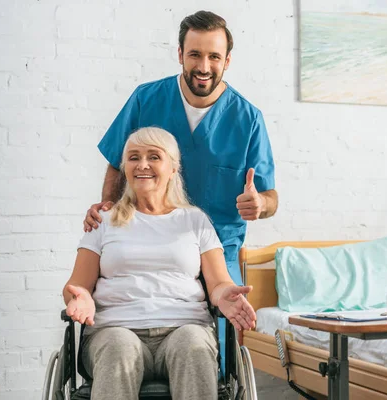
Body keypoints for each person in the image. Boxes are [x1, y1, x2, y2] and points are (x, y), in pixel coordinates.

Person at [83, 10, 278, 286]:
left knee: (228, 313)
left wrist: (260, 204)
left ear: (228, 60)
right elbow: (117, 164)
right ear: (180, 54)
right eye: (195, 54)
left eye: (214, 57)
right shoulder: (146, 100)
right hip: (149, 246)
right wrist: (107, 214)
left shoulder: (247, 119)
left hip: (219, 251)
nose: (204, 67)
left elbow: (270, 197)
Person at [64, 127, 256, 400]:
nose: (142, 165)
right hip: (114, 330)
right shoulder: (103, 222)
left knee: (193, 345)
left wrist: (225, 294)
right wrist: (80, 297)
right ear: (125, 167)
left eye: (154, 157)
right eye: (133, 157)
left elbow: (219, 282)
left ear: (173, 168)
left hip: (184, 327)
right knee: (119, 347)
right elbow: (77, 285)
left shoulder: (195, 220)